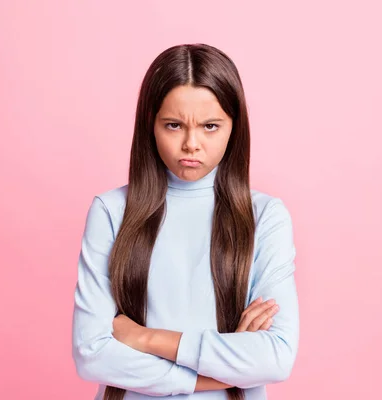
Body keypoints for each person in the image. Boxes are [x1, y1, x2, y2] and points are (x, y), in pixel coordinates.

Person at [71, 43, 299, 400]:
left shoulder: (265, 217)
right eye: (174, 125)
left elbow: (275, 357)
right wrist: (221, 369)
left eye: (210, 126)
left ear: (234, 128)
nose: (191, 144)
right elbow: (91, 354)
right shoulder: (111, 211)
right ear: (151, 125)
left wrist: (146, 338)